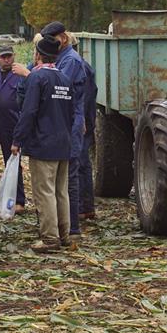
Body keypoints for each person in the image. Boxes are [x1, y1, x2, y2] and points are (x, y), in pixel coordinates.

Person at [11, 35, 75, 252]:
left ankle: (49, 238)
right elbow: (71, 114)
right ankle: (64, 235)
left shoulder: (37, 79)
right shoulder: (65, 79)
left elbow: (28, 111)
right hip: (63, 143)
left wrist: (17, 139)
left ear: (38, 55)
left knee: (44, 192)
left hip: (43, 144)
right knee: (61, 192)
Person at [39, 20, 89, 237]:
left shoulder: (70, 61)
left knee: (68, 177)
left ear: (64, 38)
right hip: (66, 120)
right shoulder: (62, 58)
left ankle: (72, 226)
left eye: (53, 40)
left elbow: (57, 87)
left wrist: (29, 76)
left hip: (70, 122)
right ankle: (63, 226)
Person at [0, 45, 26, 215]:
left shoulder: (20, 74)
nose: (7, 60)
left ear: (14, 56)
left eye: (9, 56)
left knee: (14, 161)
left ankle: (18, 201)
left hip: (11, 124)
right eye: (3, 57)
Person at [70, 33, 98, 223]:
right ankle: (86, 206)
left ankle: (84, 207)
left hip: (83, 122)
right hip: (84, 119)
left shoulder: (80, 67)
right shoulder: (81, 64)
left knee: (80, 162)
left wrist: (83, 122)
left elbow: (85, 97)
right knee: (82, 162)